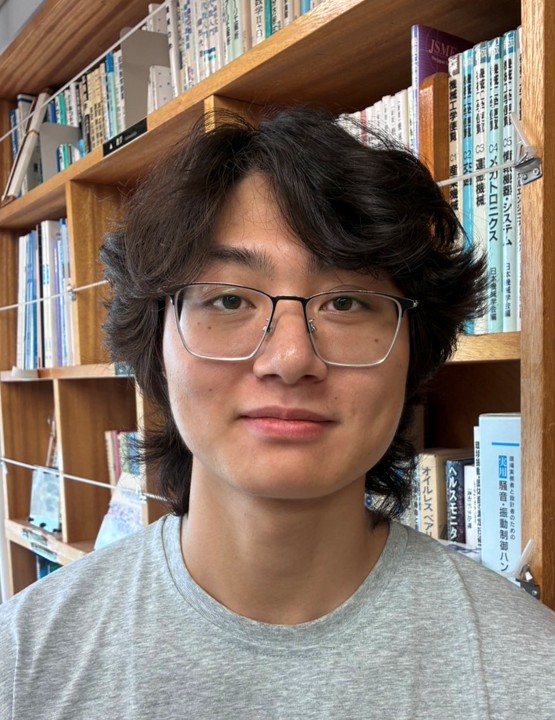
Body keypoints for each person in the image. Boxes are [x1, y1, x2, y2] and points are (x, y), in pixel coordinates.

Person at [1, 105, 554, 719]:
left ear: (413, 354)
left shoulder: (533, 674)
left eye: (346, 302)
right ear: (157, 343)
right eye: (228, 299)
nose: (290, 359)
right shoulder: (23, 664)